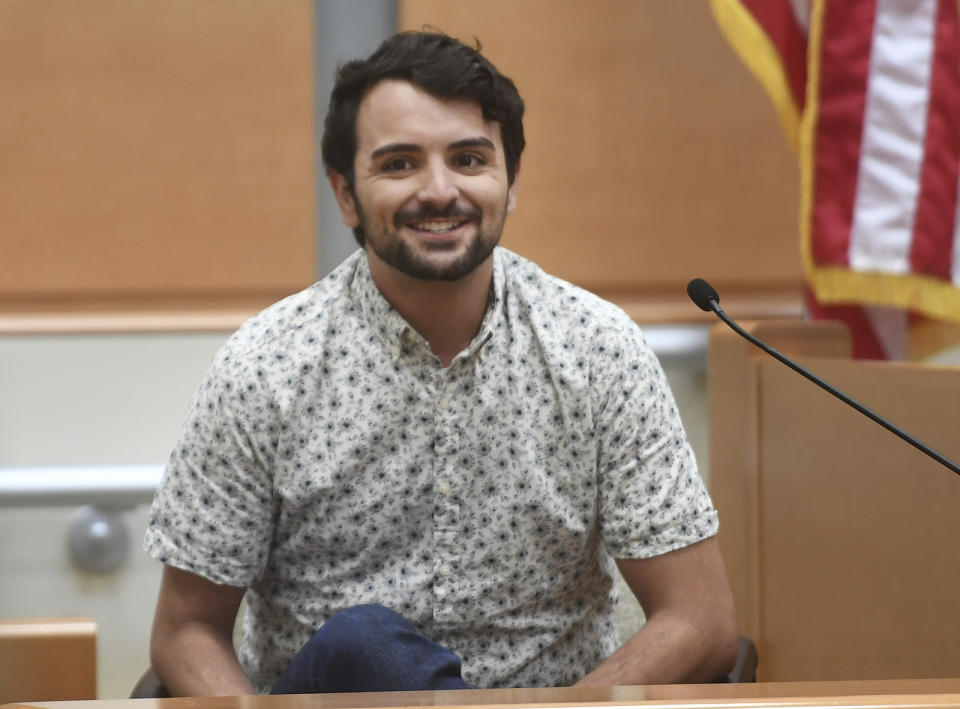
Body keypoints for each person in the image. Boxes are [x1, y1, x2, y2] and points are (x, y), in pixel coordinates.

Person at [145, 30, 738, 697]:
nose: (439, 190)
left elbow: (701, 619)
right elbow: (185, 629)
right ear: (345, 195)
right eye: (399, 164)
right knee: (365, 644)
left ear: (510, 181)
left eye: (468, 158)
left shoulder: (599, 351)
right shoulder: (266, 367)